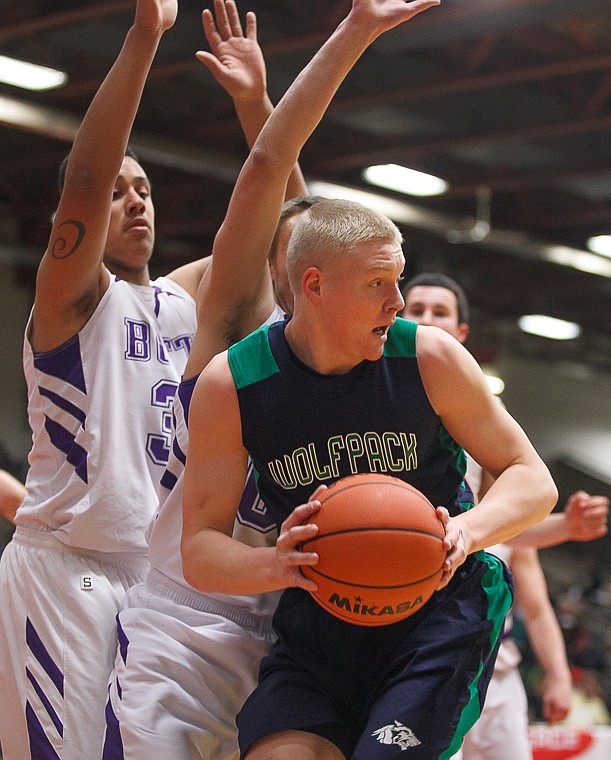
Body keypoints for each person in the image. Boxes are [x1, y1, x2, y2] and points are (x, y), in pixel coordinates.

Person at [179, 5, 559, 760]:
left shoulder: (426, 356)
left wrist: (465, 530)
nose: (397, 302)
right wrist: (275, 565)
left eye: (401, 282)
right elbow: (198, 546)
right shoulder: (235, 381)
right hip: (320, 619)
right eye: (379, 285)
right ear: (313, 286)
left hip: (440, 612)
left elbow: (531, 479)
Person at [0, 0, 296, 757]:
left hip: (162, 582)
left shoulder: (187, 300)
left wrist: (254, 104)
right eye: (121, 191)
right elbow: (89, 175)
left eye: (147, 190)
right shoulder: (72, 301)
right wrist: (143, 38)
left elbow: (294, 235)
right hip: (69, 571)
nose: (134, 199)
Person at [102, 2, 326, 757]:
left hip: (279, 628)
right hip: (154, 584)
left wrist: (254, 103)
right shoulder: (206, 322)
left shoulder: (334, 359)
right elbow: (273, 200)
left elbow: (293, 220)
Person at [401, 271, 609, 760]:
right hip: (416, 653)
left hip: (493, 663)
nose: (427, 320)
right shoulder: (377, 402)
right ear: (397, 319)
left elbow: (512, 537)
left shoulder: (481, 419)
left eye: (440, 312)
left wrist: (566, 526)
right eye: (417, 310)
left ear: (463, 333)